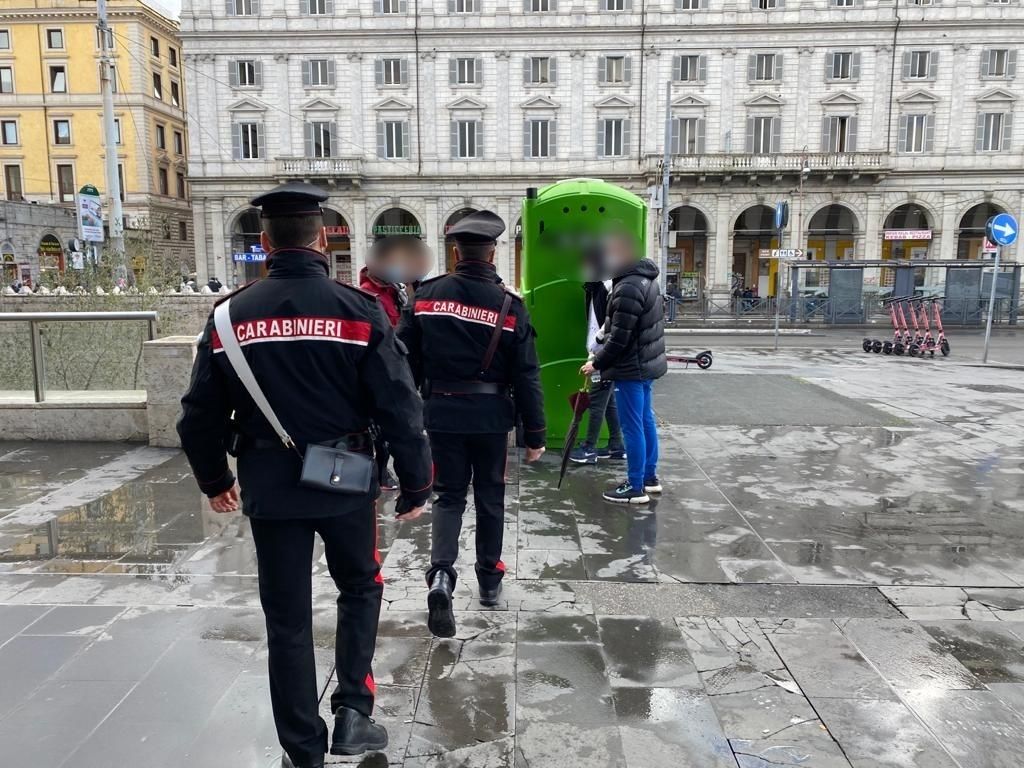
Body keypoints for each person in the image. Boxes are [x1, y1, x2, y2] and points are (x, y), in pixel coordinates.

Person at [177, 182, 433, 768]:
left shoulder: (228, 316)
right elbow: (399, 404)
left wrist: (215, 480)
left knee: (287, 615)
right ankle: (352, 715)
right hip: (345, 479)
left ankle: (302, 748)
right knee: (361, 587)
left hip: (270, 481)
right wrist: (417, 482)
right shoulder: (359, 309)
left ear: (265, 241)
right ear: (320, 237)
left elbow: (198, 415)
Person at [399, 210, 546, 638]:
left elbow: (404, 363)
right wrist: (534, 434)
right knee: (490, 498)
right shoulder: (510, 306)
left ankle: (442, 575)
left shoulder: (425, 297)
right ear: (493, 252)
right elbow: (527, 375)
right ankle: (488, 579)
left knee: (447, 497)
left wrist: (406, 420)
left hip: (441, 413)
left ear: (455, 251)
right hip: (491, 419)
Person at [581, 233, 667, 504]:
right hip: (645, 364)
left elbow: (620, 338)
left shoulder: (628, 286)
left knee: (633, 426)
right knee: (644, 421)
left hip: (632, 367)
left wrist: (595, 362)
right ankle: (649, 478)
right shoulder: (646, 279)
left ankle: (635, 486)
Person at [570, 279, 625, 465]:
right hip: (602, 352)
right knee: (609, 402)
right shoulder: (595, 288)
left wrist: (596, 358)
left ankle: (589, 448)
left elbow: (608, 326)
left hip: (603, 354)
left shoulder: (607, 288)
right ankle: (616, 445)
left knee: (596, 401)